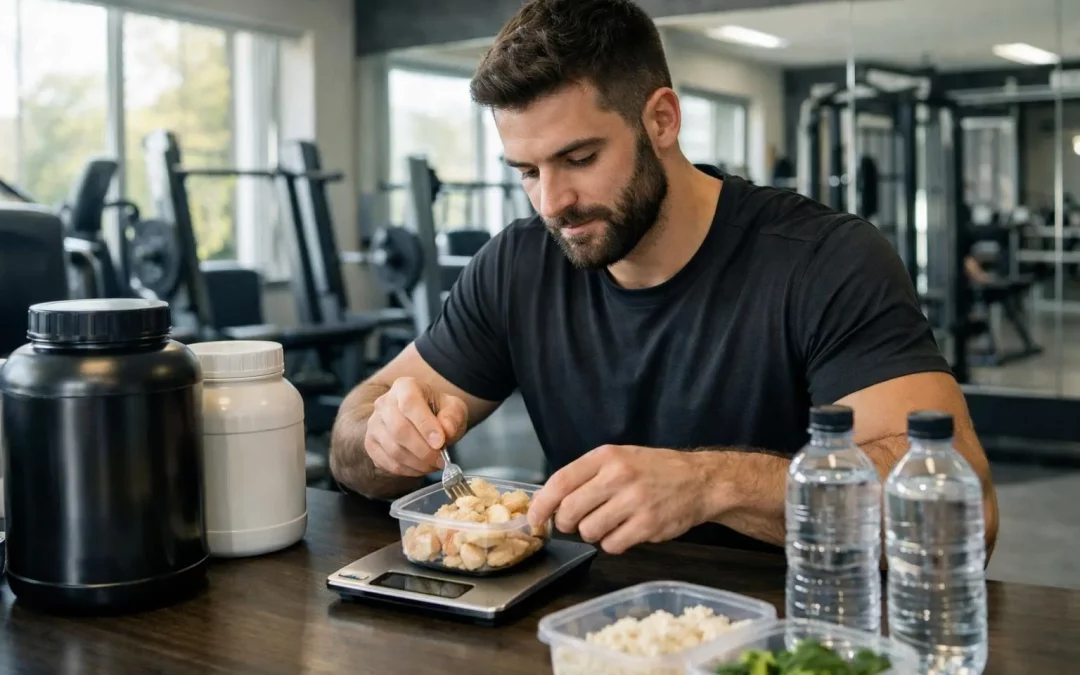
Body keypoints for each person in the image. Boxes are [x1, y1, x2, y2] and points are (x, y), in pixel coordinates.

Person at [330, 0, 999, 556]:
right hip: (591, 634)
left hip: (789, 633)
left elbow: (961, 504)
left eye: (580, 158)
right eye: (528, 172)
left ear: (661, 121)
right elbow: (350, 439)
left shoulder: (826, 260)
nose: (551, 203)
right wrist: (383, 436)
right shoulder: (518, 265)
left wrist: (713, 482)